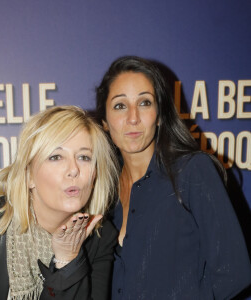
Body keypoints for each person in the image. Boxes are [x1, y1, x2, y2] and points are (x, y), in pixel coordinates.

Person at [96, 56, 251, 299]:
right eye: (120, 105)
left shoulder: (191, 171)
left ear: (159, 115)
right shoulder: (103, 190)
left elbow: (234, 273)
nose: (133, 117)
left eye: (145, 103)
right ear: (104, 122)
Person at [0, 106, 119, 300]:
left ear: (96, 172)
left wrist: (67, 260)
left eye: (84, 157)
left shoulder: (100, 237)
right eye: (56, 157)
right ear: (29, 175)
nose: (74, 170)